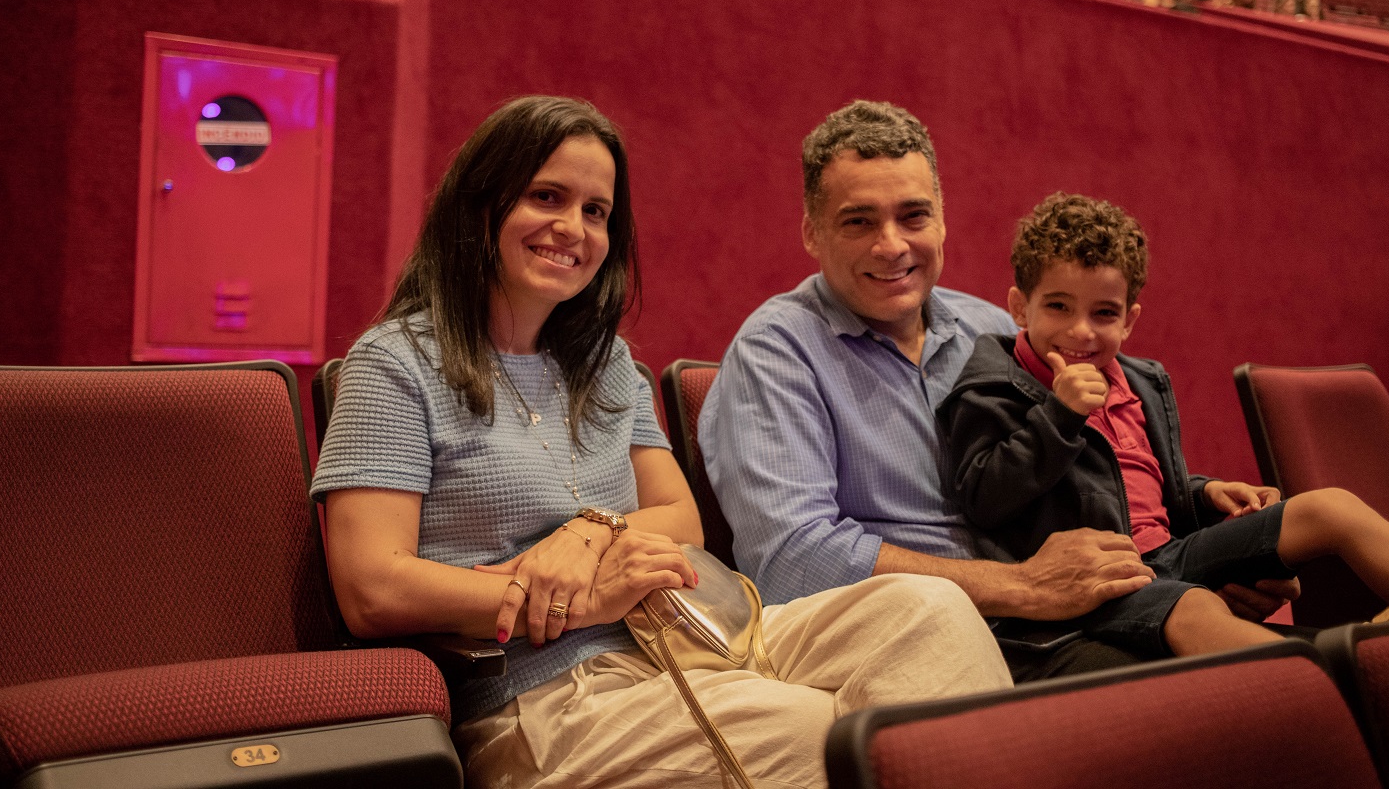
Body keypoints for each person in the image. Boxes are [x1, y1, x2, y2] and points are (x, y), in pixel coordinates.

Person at [311, 96, 1012, 788]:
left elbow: (680, 520)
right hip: (545, 693)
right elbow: (373, 588)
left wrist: (588, 535)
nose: (572, 228)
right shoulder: (396, 363)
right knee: (816, 730)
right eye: (546, 197)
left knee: (929, 609)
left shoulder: (604, 359)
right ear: (480, 206)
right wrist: (579, 599)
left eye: (595, 211)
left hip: (698, 634)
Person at [699, 101, 1300, 683]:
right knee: (1196, 692)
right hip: (926, 637)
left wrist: (1205, 528)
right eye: (858, 221)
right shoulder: (777, 351)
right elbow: (793, 560)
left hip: (1073, 609)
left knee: (1251, 658)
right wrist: (1022, 586)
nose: (892, 245)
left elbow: (1090, 461)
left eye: (913, 216)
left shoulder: (990, 329)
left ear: (941, 219)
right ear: (811, 232)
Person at [939, 192, 1389, 657]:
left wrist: (1204, 493)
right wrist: (1060, 416)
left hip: (1170, 553)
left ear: (1129, 320)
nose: (1081, 330)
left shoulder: (1140, 381)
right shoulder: (993, 387)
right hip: (1093, 586)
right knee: (1194, 608)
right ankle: (1349, 675)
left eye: (1103, 313)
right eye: (1058, 306)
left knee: (1329, 507)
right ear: (1020, 307)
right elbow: (983, 499)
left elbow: (1142, 486)